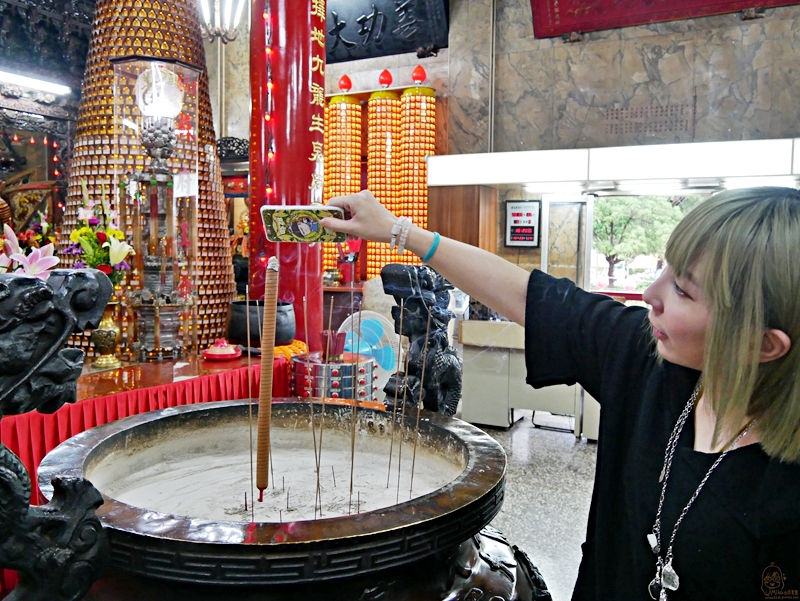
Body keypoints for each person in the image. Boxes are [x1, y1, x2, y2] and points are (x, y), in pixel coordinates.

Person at [322, 188, 800, 601]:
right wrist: (396, 229)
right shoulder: (647, 358)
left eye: (682, 290)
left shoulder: (785, 495)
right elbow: (528, 293)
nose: (649, 292)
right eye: (664, 268)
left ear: (761, 344)